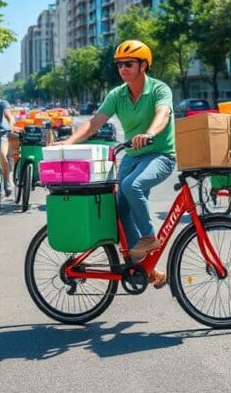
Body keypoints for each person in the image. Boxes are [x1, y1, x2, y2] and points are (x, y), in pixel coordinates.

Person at [63, 40, 175, 289]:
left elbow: (163, 114)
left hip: (160, 155)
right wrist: (67, 144)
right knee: (119, 207)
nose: (123, 68)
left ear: (143, 65)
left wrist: (150, 133)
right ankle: (143, 267)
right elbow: (94, 123)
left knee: (132, 186)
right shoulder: (117, 94)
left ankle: (149, 237)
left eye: (129, 64)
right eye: (119, 64)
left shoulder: (159, 89)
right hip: (133, 156)